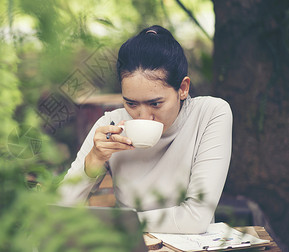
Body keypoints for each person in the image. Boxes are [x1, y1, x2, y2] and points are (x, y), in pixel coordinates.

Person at [58, 25, 232, 234]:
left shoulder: (209, 114)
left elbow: (196, 218)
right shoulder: (112, 125)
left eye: (155, 104)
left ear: (183, 88)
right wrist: (94, 160)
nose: (142, 117)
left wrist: (118, 224)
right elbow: (59, 211)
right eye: (131, 104)